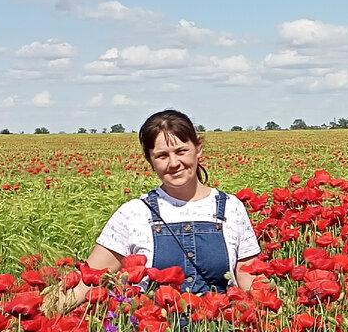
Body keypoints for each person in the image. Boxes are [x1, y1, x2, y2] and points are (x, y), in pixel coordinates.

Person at [64, 110, 261, 307]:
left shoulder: (231, 208)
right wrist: (39, 312)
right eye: (162, 156)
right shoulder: (133, 214)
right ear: (150, 160)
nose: (174, 163)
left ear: (198, 148)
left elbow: (250, 282)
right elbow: (86, 283)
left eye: (181, 151)